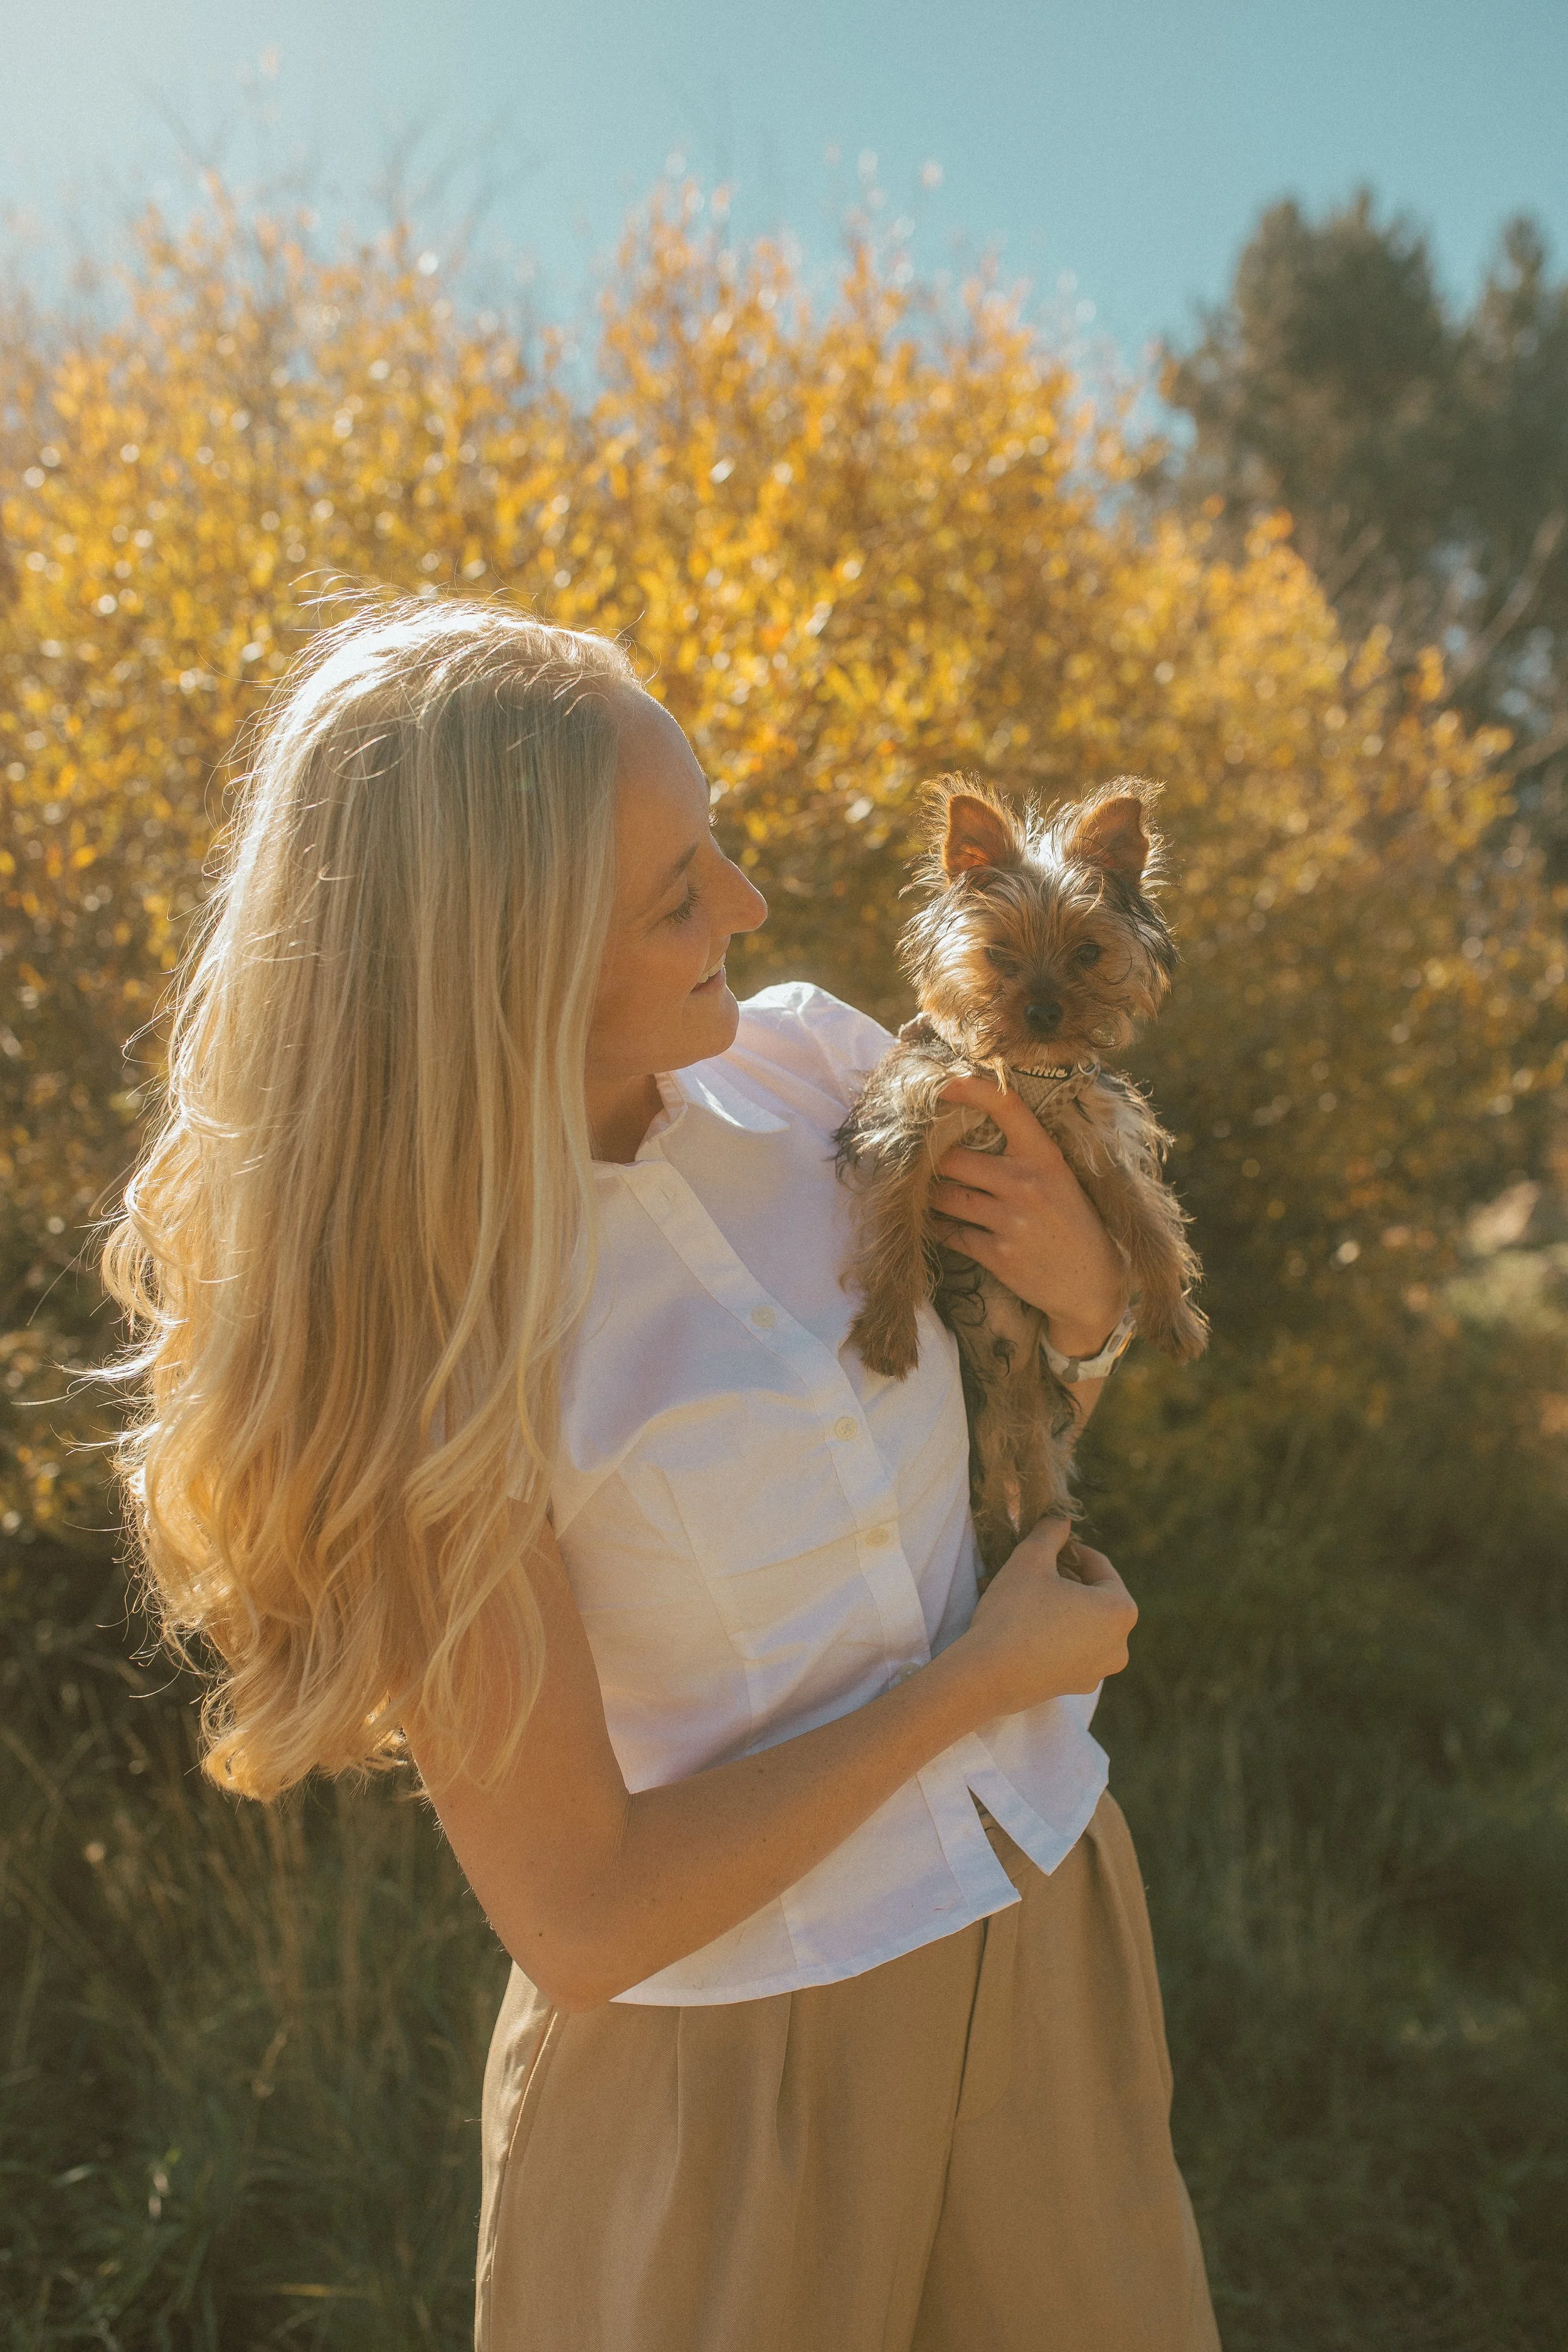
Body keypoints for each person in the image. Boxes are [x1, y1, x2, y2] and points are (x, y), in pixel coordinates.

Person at [100, 595, 1221, 2351]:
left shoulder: (813, 1064)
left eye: (714, 845)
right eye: (675, 891)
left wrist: (1085, 1299)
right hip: (741, 2078)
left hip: (1048, 1912)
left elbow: (1024, 1368)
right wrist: (973, 1683)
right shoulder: (432, 1348)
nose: (751, 906)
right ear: (505, 959)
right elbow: (585, 1913)